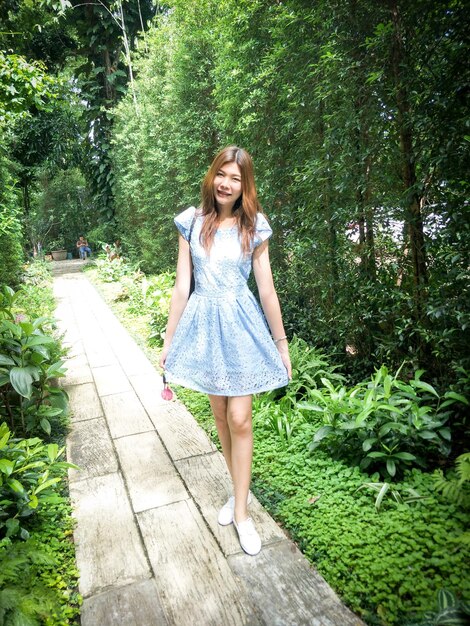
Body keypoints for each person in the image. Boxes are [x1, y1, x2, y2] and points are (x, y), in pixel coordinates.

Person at [160, 146, 292, 556]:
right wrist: (168, 340)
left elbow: (266, 289)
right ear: (212, 175)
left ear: (244, 186)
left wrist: (281, 342)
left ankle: (242, 515)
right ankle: (239, 495)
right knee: (219, 414)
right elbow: (183, 286)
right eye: (222, 174)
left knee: (240, 418)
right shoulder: (191, 222)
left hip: (241, 327)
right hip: (203, 326)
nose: (226, 183)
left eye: (236, 178)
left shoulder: (255, 227)